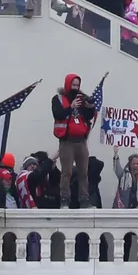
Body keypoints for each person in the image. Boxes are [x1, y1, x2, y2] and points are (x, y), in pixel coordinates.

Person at [51, 73, 95, 207]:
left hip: (81, 140)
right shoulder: (58, 99)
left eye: (77, 85)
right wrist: (71, 107)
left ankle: (84, 199)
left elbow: (88, 117)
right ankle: (65, 199)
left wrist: (89, 106)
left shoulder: (81, 98)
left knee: (83, 172)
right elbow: (58, 114)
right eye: (73, 85)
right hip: (67, 140)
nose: (75, 88)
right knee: (67, 172)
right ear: (67, 84)